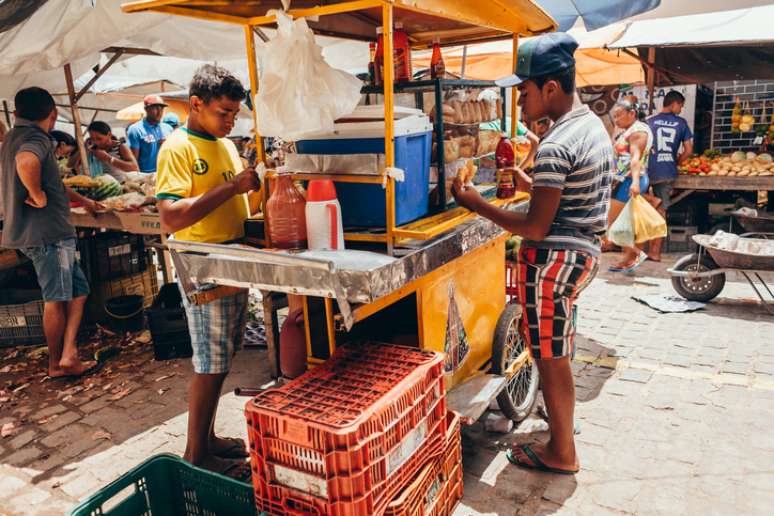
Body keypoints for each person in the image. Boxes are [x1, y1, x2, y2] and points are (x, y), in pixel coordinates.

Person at [453, 33, 612, 475]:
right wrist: (531, 184)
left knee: (551, 356)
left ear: (550, 89)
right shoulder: (590, 126)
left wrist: (475, 204)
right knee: (558, 349)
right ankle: (561, 432)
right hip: (583, 254)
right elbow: (570, 195)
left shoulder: (556, 145)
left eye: (524, 93)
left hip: (553, 262)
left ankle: (562, 451)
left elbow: (535, 226)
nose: (521, 103)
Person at [155, 65, 260, 479]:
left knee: (223, 356)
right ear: (196, 105)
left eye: (235, 113)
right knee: (209, 361)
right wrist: (232, 188)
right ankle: (195, 455)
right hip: (203, 267)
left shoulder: (228, 145)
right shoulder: (176, 147)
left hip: (231, 261)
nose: (230, 120)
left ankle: (209, 438)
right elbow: (171, 216)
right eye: (224, 112)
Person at [0, 87, 103, 379]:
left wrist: (85, 201)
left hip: (46, 234)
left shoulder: (11, 137)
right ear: (54, 115)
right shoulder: (36, 139)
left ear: (17, 113)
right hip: (48, 236)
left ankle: (69, 352)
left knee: (79, 291)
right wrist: (38, 194)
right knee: (56, 298)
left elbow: (54, 181)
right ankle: (56, 364)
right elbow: (26, 161)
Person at [606, 98, 653, 272]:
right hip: (624, 180)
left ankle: (635, 254)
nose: (616, 120)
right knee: (623, 224)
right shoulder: (630, 130)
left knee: (611, 223)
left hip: (630, 180)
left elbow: (635, 159)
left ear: (632, 114)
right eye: (614, 117)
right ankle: (628, 259)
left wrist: (634, 182)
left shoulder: (638, 132)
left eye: (619, 116)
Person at [646, 90, 694, 261]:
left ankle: (636, 249)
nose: (681, 109)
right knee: (661, 212)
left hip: (647, 170)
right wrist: (677, 162)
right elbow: (689, 150)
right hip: (667, 172)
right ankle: (655, 252)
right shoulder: (681, 123)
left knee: (639, 207)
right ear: (674, 104)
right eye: (681, 105)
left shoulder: (649, 122)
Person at [74, 121, 139, 182]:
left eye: (99, 138)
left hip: (120, 185)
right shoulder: (90, 147)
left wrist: (108, 158)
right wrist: (83, 150)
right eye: (92, 138)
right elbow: (72, 165)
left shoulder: (120, 147)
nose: (96, 142)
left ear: (109, 134)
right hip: (98, 186)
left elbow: (134, 168)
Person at [127, 94, 173, 173]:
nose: (159, 112)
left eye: (161, 108)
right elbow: (133, 161)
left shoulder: (168, 128)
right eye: (155, 108)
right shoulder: (135, 129)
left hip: (166, 174)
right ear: (146, 109)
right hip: (146, 177)